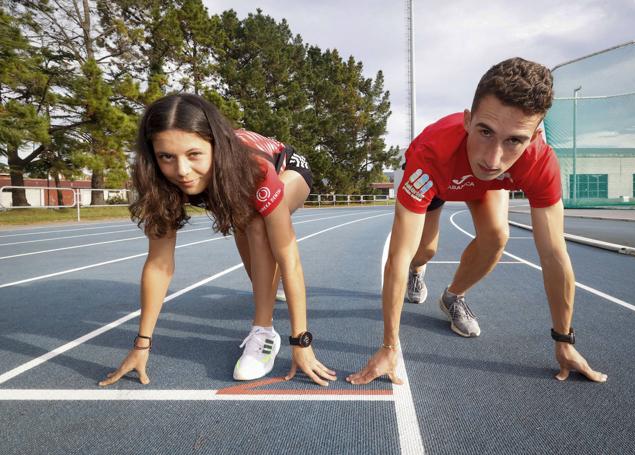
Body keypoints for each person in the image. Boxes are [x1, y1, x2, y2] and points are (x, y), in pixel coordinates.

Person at [347, 57, 607, 385]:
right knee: (423, 250)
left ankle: (453, 296)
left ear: (535, 135)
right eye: (486, 131)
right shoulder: (429, 155)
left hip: (488, 187)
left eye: (514, 140)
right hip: (442, 179)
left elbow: (554, 254)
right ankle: (420, 272)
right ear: (468, 121)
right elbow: (396, 255)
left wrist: (564, 341)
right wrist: (389, 346)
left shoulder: (539, 161)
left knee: (498, 235)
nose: (493, 157)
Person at [99, 93, 335, 387]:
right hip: (239, 191)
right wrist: (141, 344)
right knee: (245, 224)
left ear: (215, 145)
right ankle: (265, 299)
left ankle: (264, 333)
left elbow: (289, 258)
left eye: (194, 154)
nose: (182, 171)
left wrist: (301, 342)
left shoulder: (253, 169)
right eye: (167, 157)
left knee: (256, 221)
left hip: (287, 168)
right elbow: (159, 264)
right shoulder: (157, 179)